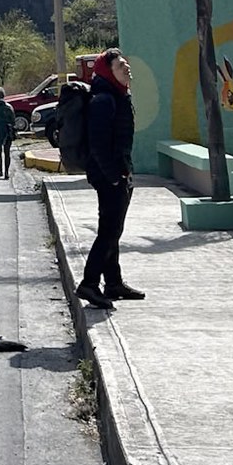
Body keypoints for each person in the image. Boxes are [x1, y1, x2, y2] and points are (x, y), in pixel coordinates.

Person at [75, 49, 145, 309]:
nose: (127, 68)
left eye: (126, 63)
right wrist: (114, 177)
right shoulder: (103, 100)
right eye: (120, 66)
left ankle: (113, 283)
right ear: (108, 72)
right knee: (109, 230)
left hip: (119, 171)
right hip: (109, 175)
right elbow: (99, 144)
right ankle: (89, 283)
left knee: (113, 228)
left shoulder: (118, 95)